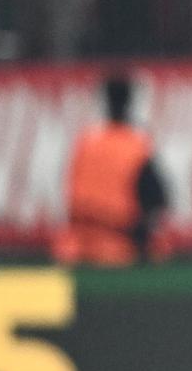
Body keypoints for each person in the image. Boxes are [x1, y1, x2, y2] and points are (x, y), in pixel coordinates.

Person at [52, 76, 169, 266]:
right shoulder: (135, 146)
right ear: (132, 103)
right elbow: (157, 201)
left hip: (74, 250)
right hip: (116, 252)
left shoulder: (85, 142)